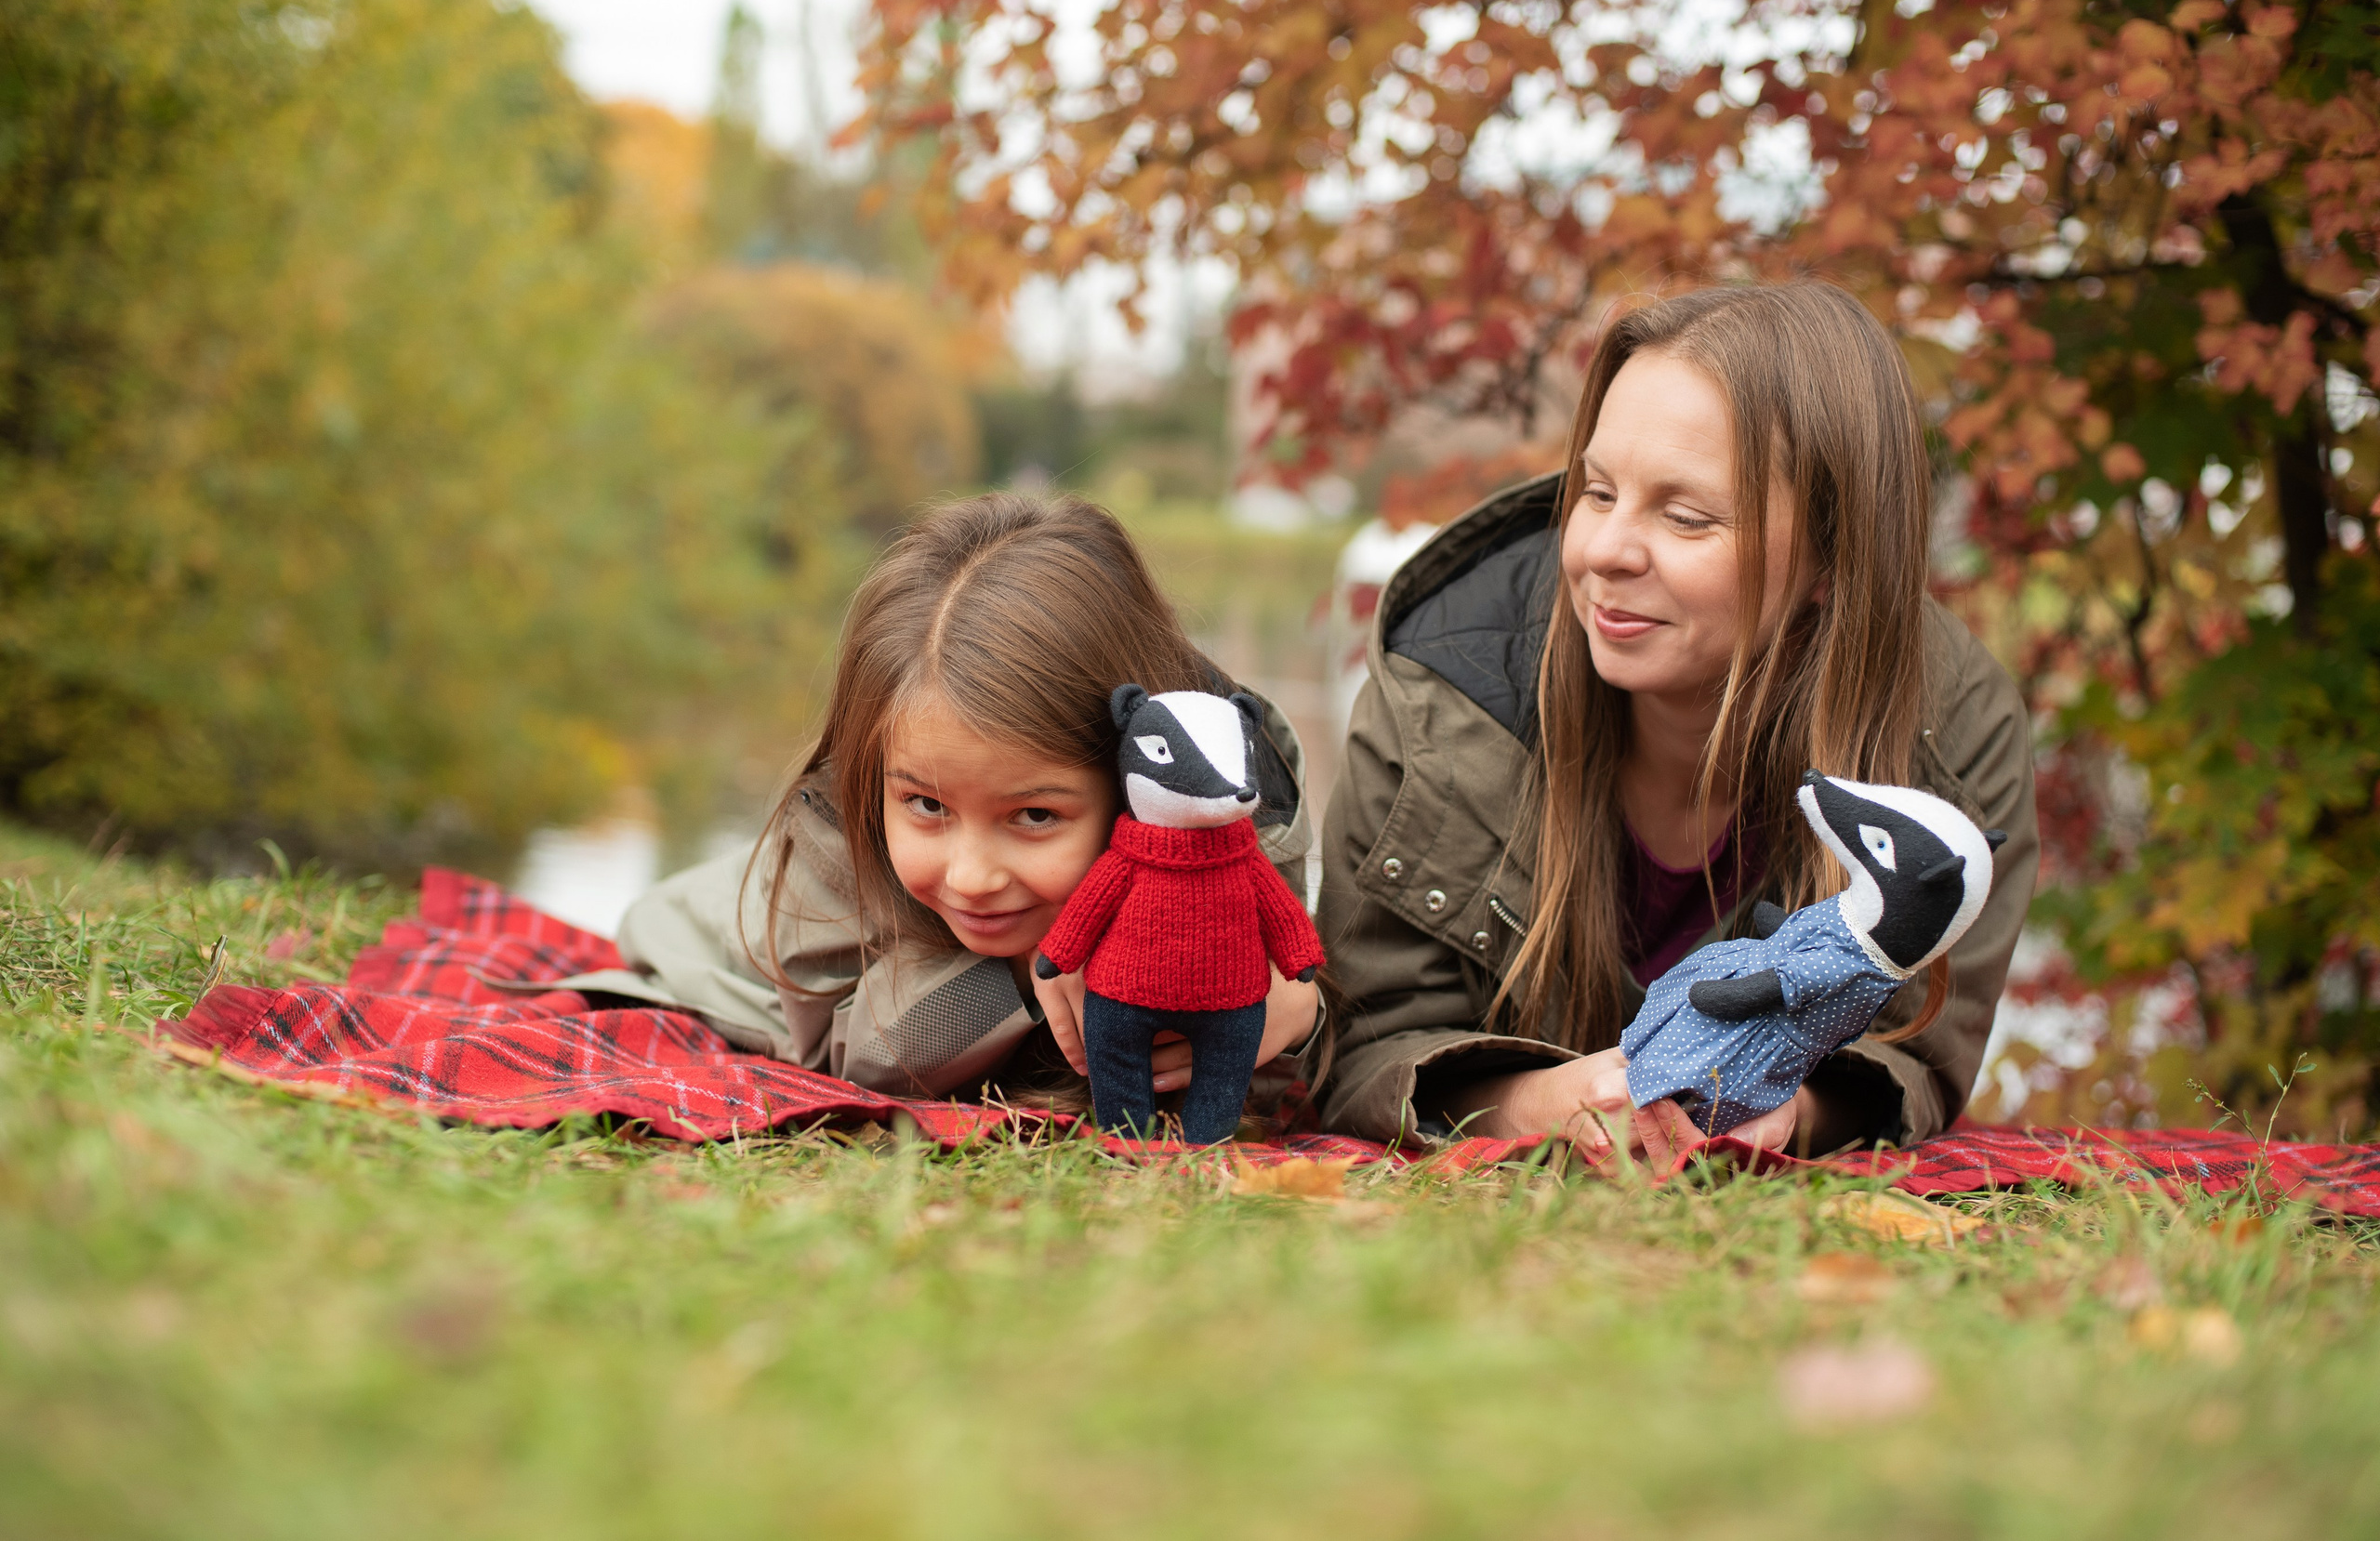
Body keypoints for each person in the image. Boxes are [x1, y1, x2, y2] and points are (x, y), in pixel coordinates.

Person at [1312, 281, 2039, 1164]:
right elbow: (1362, 1043)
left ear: (1830, 559)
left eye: (1687, 516)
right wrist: (1548, 1101)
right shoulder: (1440, 688)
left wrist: (1786, 1110)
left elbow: (1918, 1055)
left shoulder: (1954, 733)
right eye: (1597, 491)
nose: (1606, 551)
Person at [557, 493, 1324, 1112]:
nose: (972, 875)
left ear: (1126, 786)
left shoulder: (1224, 805)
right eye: (926, 805)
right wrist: (1034, 967)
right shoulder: (835, 836)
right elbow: (855, 1053)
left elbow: (1306, 1018)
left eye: (1034, 816)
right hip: (705, 939)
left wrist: (1297, 1014)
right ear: (873, 777)